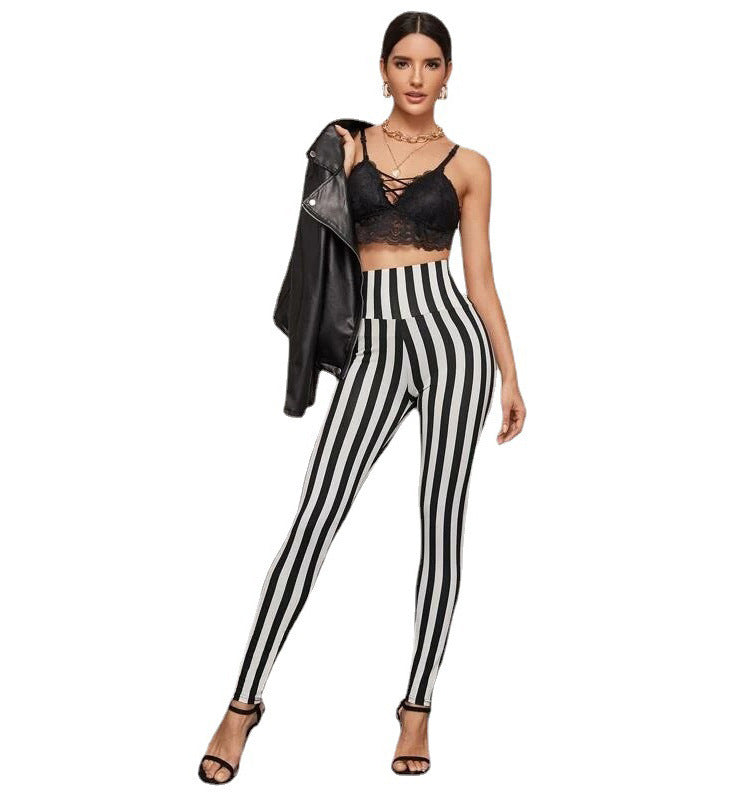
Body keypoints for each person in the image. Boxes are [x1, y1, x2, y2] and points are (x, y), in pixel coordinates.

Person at [199, 11, 525, 783]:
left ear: (448, 75)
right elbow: (316, 252)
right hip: (374, 343)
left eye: (431, 63)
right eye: (403, 62)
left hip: (452, 344)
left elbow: (480, 279)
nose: (416, 76)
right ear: (383, 70)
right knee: (313, 520)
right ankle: (242, 704)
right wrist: (332, 172)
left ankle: (417, 707)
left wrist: (510, 373)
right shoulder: (345, 146)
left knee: (440, 524)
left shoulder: (471, 164)